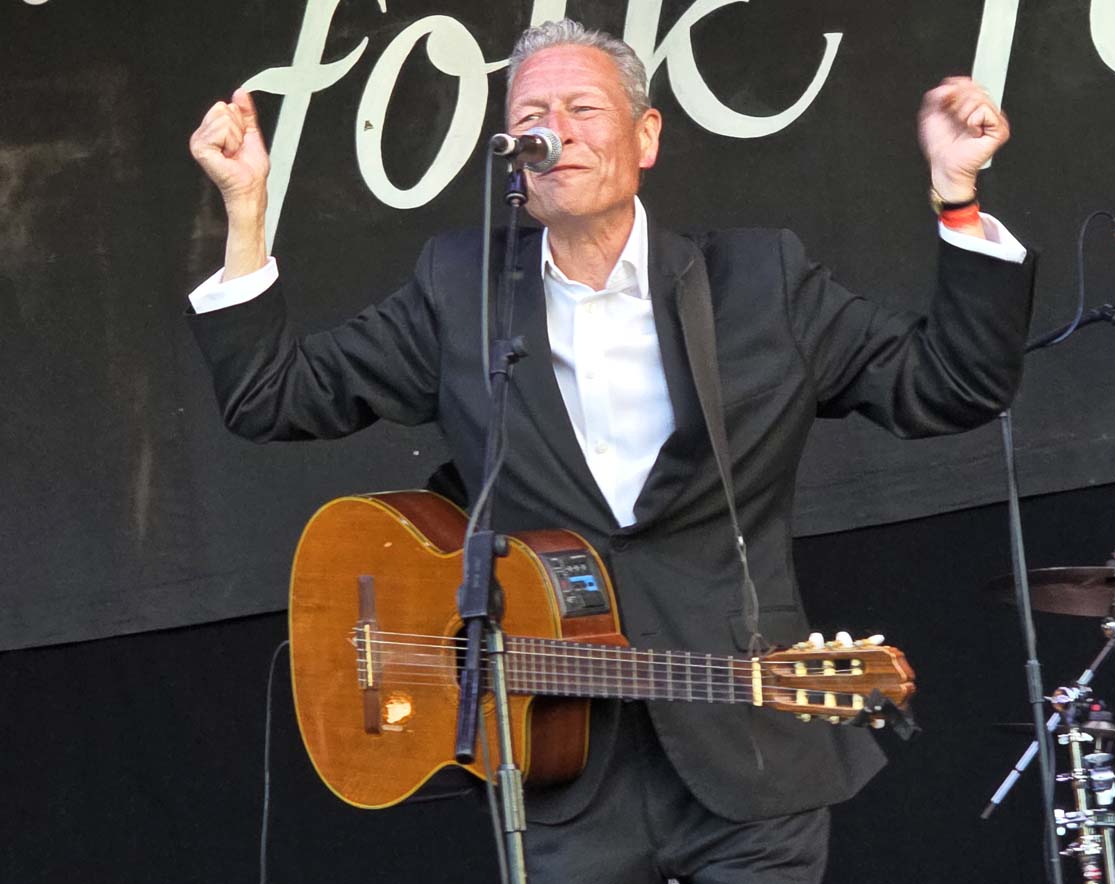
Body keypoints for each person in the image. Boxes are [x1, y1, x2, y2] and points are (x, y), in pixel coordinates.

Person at [187, 18, 1033, 884]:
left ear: (646, 136)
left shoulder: (758, 281)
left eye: (583, 109)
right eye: (531, 116)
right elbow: (271, 398)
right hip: (559, 769)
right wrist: (245, 208)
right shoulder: (460, 290)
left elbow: (951, 385)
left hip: (748, 757)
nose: (554, 131)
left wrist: (958, 195)